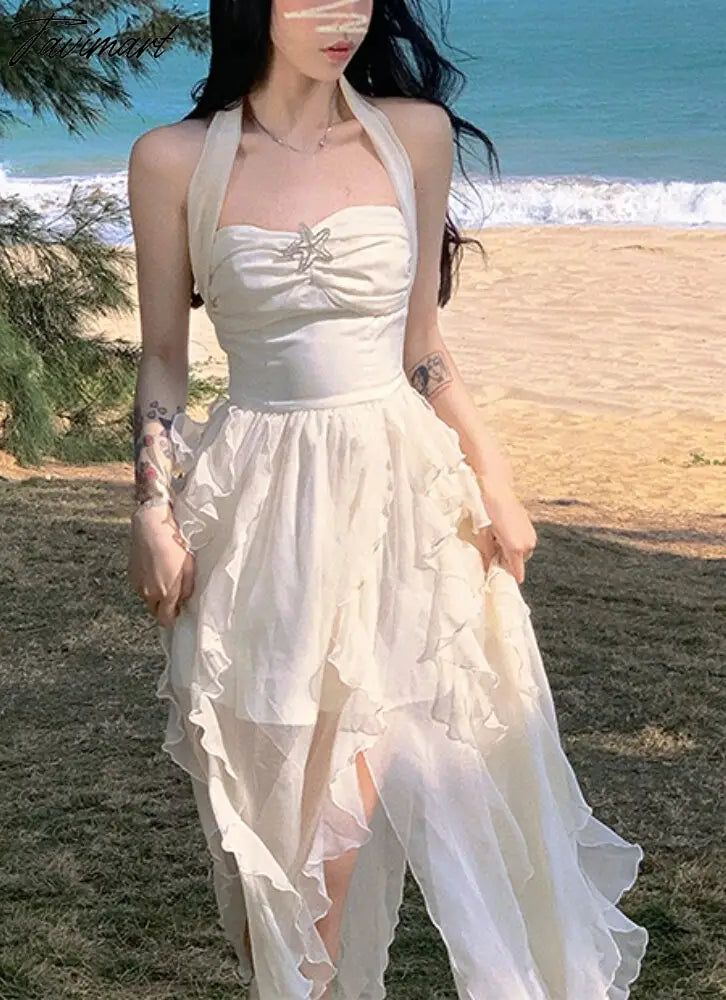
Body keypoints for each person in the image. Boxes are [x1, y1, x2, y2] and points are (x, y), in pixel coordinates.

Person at [126, 1, 649, 997]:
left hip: (402, 505)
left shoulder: (413, 134)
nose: (341, 19)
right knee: (268, 838)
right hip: (258, 509)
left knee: (343, 815)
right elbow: (161, 357)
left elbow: (423, 350)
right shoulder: (172, 159)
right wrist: (151, 507)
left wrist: (496, 483)